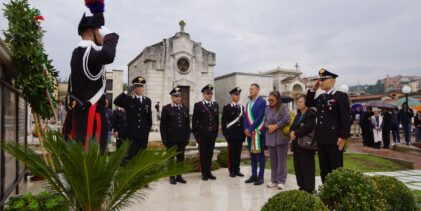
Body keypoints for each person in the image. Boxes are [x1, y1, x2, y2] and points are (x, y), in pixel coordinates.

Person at [66, 1, 119, 152]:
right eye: (99, 29)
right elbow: (109, 55)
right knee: (93, 158)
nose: (101, 35)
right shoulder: (88, 51)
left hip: (82, 113)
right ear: (90, 31)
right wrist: (110, 36)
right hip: (91, 117)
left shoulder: (79, 52)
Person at [306, 68, 351, 183]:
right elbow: (309, 103)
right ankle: (326, 191)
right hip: (321, 139)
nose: (320, 82)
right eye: (320, 80)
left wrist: (343, 137)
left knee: (335, 168)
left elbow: (345, 118)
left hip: (334, 139)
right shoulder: (321, 97)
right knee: (324, 169)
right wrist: (313, 89)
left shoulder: (340, 96)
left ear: (332, 81)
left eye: (323, 80)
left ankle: (336, 194)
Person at [114, 76, 152, 163]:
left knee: (141, 157)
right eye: (137, 86)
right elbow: (116, 101)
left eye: (141, 86)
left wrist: (147, 130)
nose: (140, 88)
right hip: (132, 134)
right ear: (134, 88)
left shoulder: (147, 101)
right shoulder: (128, 99)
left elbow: (149, 117)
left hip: (143, 134)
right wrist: (127, 91)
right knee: (131, 157)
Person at [160, 87, 191, 185]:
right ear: (172, 97)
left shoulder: (185, 108)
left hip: (182, 138)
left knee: (180, 158)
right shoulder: (166, 108)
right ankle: (171, 176)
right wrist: (164, 138)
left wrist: (187, 137)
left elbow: (187, 125)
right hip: (170, 139)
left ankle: (179, 176)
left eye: (179, 96)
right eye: (176, 96)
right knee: (171, 158)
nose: (178, 98)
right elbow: (163, 125)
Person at [290, 95, 317, 193]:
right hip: (296, 144)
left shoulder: (311, 114)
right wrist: (292, 132)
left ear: (306, 103)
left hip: (306, 145)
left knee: (307, 167)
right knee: (298, 166)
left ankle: (309, 188)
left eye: (300, 102)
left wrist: (295, 133)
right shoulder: (298, 114)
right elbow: (292, 126)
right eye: (297, 102)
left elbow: (308, 127)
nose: (298, 103)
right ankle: (302, 185)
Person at [192, 84, 219, 181]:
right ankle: (204, 173)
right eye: (208, 93)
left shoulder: (215, 105)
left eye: (211, 93)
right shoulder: (198, 105)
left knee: (210, 153)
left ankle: (209, 171)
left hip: (212, 134)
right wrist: (196, 135)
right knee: (203, 154)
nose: (210, 95)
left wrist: (216, 133)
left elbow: (216, 121)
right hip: (203, 134)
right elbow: (194, 122)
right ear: (203, 94)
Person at [264, 91, 290, 190]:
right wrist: (268, 126)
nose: (270, 102)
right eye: (269, 100)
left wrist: (275, 126)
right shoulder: (267, 109)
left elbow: (286, 119)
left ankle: (281, 181)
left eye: (272, 100)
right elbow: (265, 120)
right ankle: (274, 180)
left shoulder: (283, 107)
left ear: (278, 99)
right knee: (273, 160)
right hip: (270, 137)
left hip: (281, 137)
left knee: (282, 161)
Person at [244, 83, 267, 186]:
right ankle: (253, 175)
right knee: (252, 154)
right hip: (249, 133)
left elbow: (260, 117)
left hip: (258, 132)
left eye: (252, 89)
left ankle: (260, 176)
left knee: (260, 155)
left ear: (258, 90)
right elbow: (245, 117)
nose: (250, 91)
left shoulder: (262, 102)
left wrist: (250, 128)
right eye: (250, 89)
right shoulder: (248, 104)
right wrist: (246, 129)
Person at [221, 87, 246, 177]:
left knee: (238, 153)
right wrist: (225, 135)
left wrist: (244, 135)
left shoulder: (241, 107)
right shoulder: (227, 107)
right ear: (231, 96)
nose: (237, 96)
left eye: (238, 95)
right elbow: (224, 122)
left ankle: (237, 169)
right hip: (231, 134)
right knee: (232, 153)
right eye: (236, 94)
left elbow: (243, 122)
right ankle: (231, 170)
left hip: (240, 134)